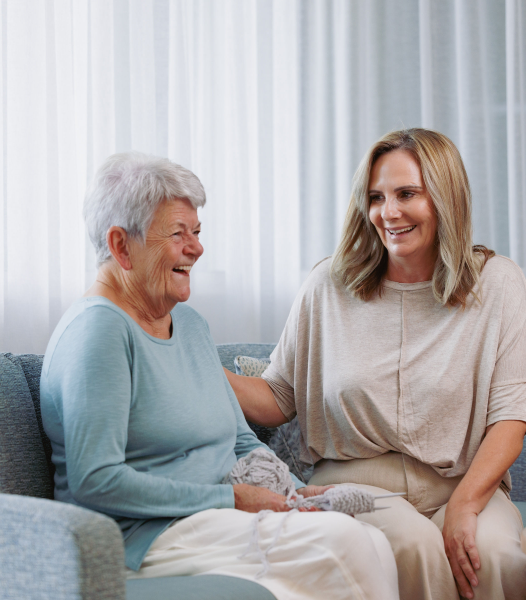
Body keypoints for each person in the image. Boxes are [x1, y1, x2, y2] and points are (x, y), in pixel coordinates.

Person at [40, 152, 398, 600]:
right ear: (120, 246)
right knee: (343, 544)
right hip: (145, 536)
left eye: (197, 232)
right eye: (178, 234)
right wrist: (232, 500)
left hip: (213, 518)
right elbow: (97, 480)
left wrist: (296, 491)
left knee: (374, 540)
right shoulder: (99, 331)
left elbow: (240, 439)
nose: (197, 248)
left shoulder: (190, 326)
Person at [227, 129, 526, 600]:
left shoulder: (496, 283)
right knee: (415, 548)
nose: (388, 212)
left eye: (406, 194)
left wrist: (464, 506)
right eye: (375, 197)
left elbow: (510, 418)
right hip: (356, 484)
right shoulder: (327, 285)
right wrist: (191, 367)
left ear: (445, 197)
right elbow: (279, 396)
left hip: (462, 483)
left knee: (494, 557)